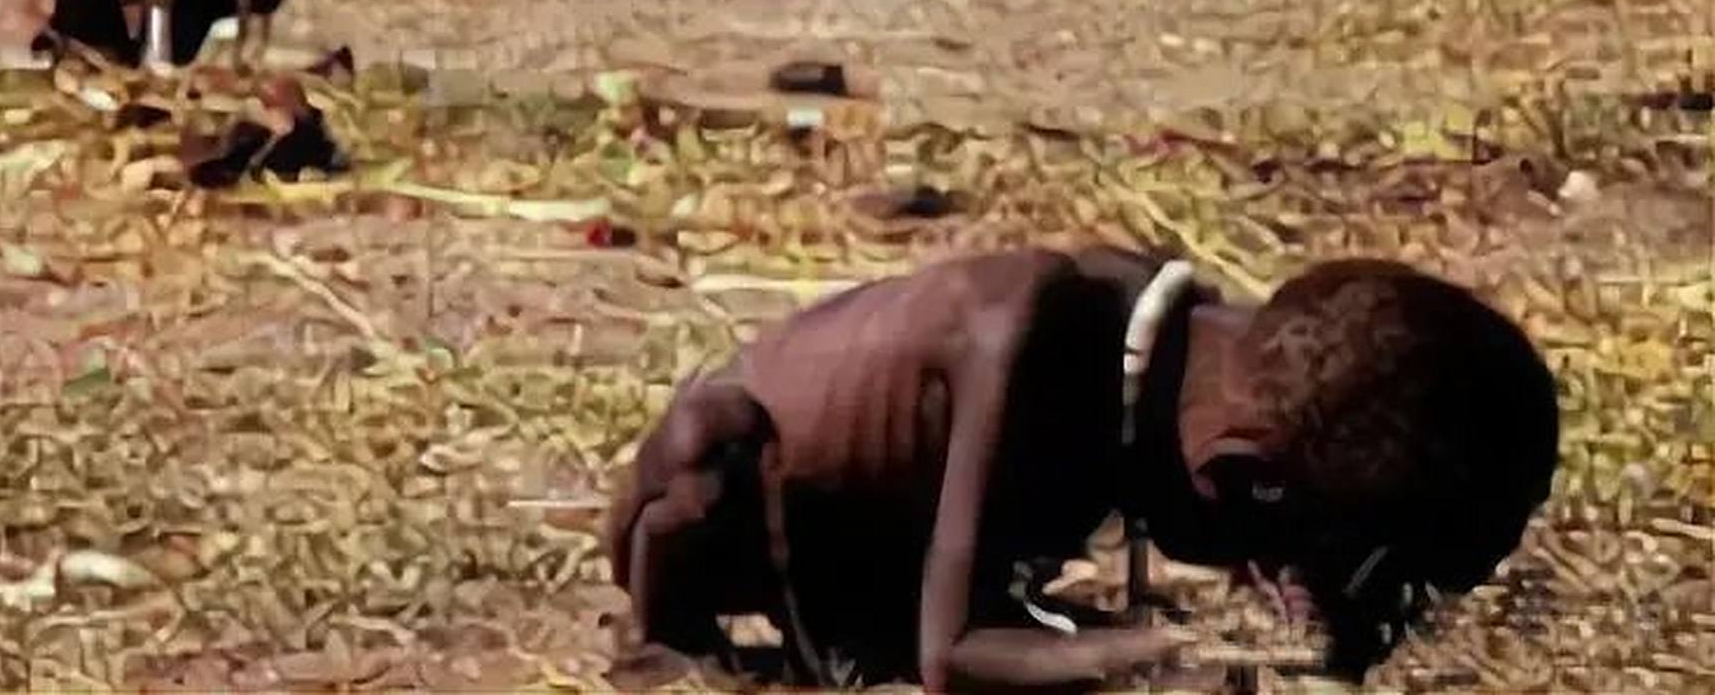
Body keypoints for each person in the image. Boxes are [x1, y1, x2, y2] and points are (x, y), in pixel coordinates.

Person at [603, 246, 1560, 692]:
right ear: (1229, 480)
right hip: (743, 521)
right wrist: (1170, 659)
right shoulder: (1022, 345)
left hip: (886, 564)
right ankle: (670, 642)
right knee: (703, 454)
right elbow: (957, 652)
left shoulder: (1224, 363)